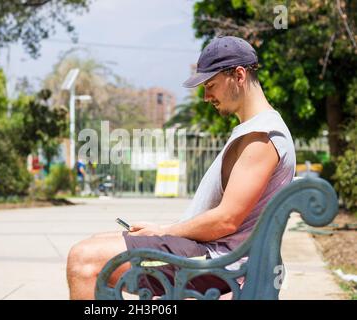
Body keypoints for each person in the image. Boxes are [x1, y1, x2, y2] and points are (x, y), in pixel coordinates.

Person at [66, 36, 296, 299]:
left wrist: (162, 231)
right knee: (96, 242)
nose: (207, 96)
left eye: (211, 85)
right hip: (214, 255)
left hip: (219, 264)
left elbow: (226, 220)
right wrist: (161, 229)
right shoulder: (257, 130)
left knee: (84, 260)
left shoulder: (261, 137)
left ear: (239, 76)